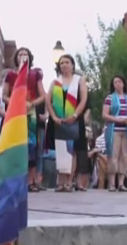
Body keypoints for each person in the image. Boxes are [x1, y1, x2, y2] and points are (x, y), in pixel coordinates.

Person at [3, 47, 45, 192]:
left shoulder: (35, 75)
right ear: (16, 57)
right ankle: (15, 181)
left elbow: (43, 95)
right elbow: (4, 96)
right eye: (20, 54)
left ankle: (31, 181)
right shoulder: (10, 75)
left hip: (30, 113)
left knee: (32, 147)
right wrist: (16, 102)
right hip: (15, 113)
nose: (23, 56)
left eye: (25, 54)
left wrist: (31, 103)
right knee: (14, 145)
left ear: (30, 57)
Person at [45, 54, 88, 192]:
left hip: (74, 119)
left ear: (72, 65)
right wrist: (53, 116)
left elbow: (83, 100)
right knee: (61, 149)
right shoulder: (55, 82)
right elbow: (48, 100)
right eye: (62, 63)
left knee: (72, 150)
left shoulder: (79, 80)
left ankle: (69, 181)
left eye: (67, 62)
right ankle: (61, 181)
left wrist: (75, 115)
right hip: (59, 120)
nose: (64, 65)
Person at [102, 75, 127, 192]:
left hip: (126, 130)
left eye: (119, 82)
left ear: (123, 84)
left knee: (125, 156)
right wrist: (118, 119)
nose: (117, 84)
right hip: (114, 130)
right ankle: (112, 183)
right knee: (113, 155)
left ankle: (121, 183)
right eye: (115, 82)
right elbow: (105, 115)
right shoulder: (110, 98)